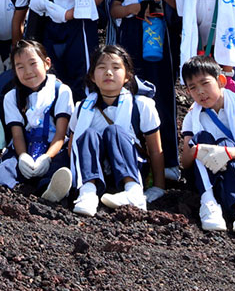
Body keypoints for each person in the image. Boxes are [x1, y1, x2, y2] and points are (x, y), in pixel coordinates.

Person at [104, 0, 183, 167]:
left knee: (162, 94)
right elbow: (112, 7)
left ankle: (168, 161)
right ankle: (133, 159)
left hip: (162, 32)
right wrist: (132, 8)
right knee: (130, 92)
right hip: (132, 32)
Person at [0, 40, 74, 203]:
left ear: (47, 63)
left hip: (53, 148)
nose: (28, 71)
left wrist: (47, 157)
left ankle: (51, 190)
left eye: (33, 63)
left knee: (60, 164)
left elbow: (61, 134)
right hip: (25, 147)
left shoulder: (61, 91)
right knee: (9, 165)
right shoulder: (11, 96)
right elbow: (17, 134)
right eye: (20, 67)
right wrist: (22, 156)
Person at [67, 45, 163, 216]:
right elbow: (72, 147)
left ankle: (132, 191)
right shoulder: (81, 108)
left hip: (132, 166)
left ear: (127, 76)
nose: (109, 73)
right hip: (96, 171)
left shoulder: (141, 105)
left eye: (116, 67)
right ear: (92, 76)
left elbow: (155, 150)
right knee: (88, 134)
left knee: (115, 132)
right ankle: (88, 192)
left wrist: (159, 186)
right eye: (102, 68)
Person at [179, 55, 235, 233]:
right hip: (206, 175)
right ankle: (208, 201)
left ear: (221, 80)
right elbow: (186, 163)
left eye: (205, 83)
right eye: (193, 87)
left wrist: (225, 152)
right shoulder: (192, 117)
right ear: (188, 92)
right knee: (202, 136)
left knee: (226, 143)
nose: (200, 92)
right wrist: (198, 150)